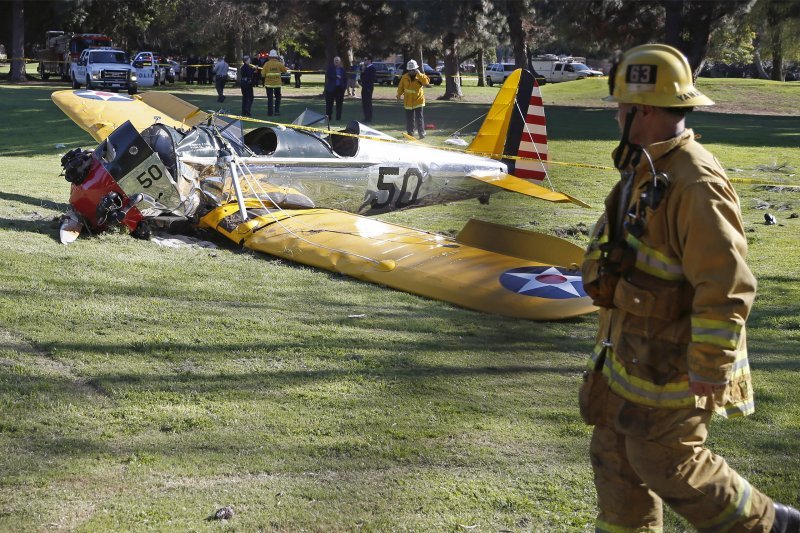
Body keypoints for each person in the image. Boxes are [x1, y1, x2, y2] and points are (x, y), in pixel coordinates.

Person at [579, 43, 800, 533]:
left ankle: (773, 526)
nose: (616, 116)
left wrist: (710, 364)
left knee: (666, 460)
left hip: (676, 361)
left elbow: (726, 283)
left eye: (621, 106)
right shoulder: (644, 168)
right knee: (615, 454)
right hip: (631, 351)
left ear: (645, 110)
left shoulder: (694, 181)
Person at [396, 59, 429, 139]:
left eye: (413, 70)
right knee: (409, 119)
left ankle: (421, 133)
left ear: (416, 69)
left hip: (418, 100)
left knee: (419, 118)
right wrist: (399, 95)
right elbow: (401, 87)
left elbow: (426, 82)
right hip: (408, 101)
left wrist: (420, 74)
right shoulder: (404, 77)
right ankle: (410, 134)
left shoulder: (420, 76)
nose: (411, 71)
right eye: (410, 70)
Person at [261, 49, 288, 116]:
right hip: (277, 84)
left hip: (268, 84)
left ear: (270, 56)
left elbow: (263, 74)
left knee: (270, 99)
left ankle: (270, 113)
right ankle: (277, 112)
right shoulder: (279, 64)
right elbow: (285, 71)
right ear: (276, 56)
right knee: (278, 98)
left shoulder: (266, 64)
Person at [324, 56, 346, 121]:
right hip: (331, 89)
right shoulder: (330, 68)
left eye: (337, 60)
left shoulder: (342, 69)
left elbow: (345, 79)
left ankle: (338, 118)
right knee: (329, 104)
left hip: (340, 89)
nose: (336, 62)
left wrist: (344, 88)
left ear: (340, 61)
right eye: (335, 60)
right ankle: (328, 118)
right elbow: (328, 75)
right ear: (334, 62)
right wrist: (336, 76)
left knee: (339, 105)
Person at [360, 56, 375, 123]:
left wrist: (364, 73)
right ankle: (366, 117)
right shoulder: (366, 68)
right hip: (364, 87)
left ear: (369, 60)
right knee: (364, 103)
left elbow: (369, 79)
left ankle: (369, 118)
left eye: (365, 60)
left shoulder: (372, 68)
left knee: (368, 103)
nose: (364, 61)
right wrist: (363, 71)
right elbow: (362, 78)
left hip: (368, 88)